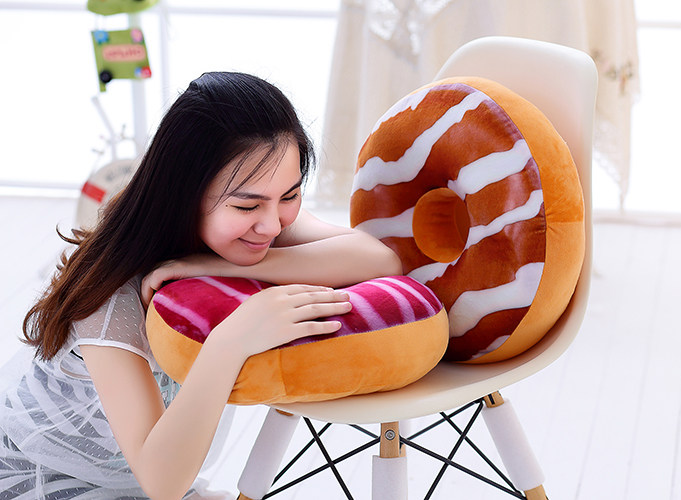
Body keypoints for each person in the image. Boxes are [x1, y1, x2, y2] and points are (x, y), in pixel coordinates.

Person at [0, 71, 402, 499]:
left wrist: (217, 266)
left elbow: (381, 259)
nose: (272, 225)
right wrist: (230, 342)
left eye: (290, 195)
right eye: (247, 206)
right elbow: (162, 483)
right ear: (185, 195)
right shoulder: (114, 298)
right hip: (53, 479)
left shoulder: (258, 220)